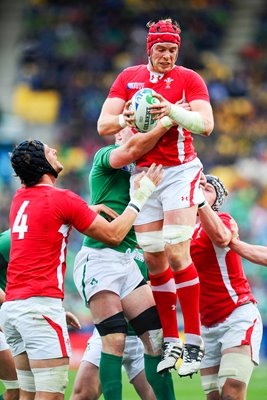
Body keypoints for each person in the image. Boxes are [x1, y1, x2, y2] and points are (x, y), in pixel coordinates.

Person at [0, 139, 162, 400]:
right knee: (50, 395)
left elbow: (48, 222)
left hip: (13, 309)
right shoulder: (62, 198)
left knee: (24, 395)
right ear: (43, 164)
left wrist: (84, 212)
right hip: (39, 307)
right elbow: (114, 235)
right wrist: (140, 196)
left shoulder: (20, 199)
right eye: (47, 151)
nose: (54, 151)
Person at [97, 17, 214, 376]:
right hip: (145, 175)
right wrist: (125, 117)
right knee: (155, 262)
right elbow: (104, 124)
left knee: (178, 250)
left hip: (180, 170)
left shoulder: (189, 78)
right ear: (149, 49)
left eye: (172, 50)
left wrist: (172, 111)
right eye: (161, 49)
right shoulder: (128, 78)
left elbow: (206, 124)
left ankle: (194, 343)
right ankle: (173, 341)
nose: (167, 55)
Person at [73, 123, 176, 400]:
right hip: (100, 258)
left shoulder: (149, 170)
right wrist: (167, 121)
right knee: (113, 342)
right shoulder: (106, 156)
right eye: (120, 131)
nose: (120, 132)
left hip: (127, 265)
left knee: (156, 339)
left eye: (128, 128)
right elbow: (131, 150)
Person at [191, 175, 263, 399]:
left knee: (231, 390)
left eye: (208, 189)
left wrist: (199, 201)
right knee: (213, 396)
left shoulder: (223, 220)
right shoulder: (180, 230)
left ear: (217, 200)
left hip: (237, 316)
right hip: (206, 326)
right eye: (198, 187)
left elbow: (223, 239)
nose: (202, 190)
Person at [0, 229, 82, 400]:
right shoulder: (12, 240)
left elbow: (31, 290)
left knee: (18, 392)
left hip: (15, 314)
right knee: (23, 390)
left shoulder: (45, 243)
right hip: (11, 314)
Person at [71, 249, 156, 400]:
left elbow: (162, 289)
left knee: (158, 395)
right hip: (107, 334)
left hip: (141, 338)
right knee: (82, 395)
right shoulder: (103, 243)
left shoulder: (151, 246)